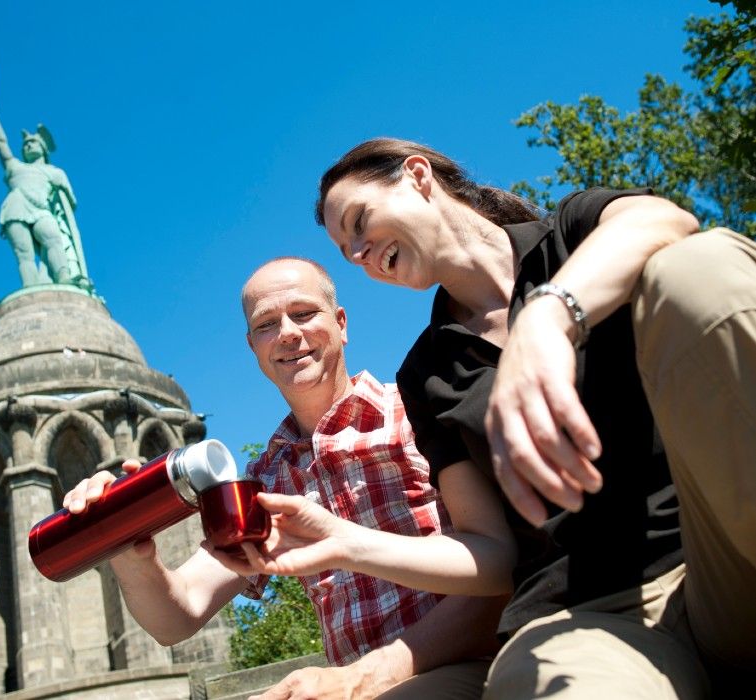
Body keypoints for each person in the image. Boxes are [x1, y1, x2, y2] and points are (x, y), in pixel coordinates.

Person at [312, 137, 756, 698]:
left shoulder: (574, 232)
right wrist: (341, 542)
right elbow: (489, 547)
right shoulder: (426, 374)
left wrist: (549, 317)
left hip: (721, 553)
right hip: (591, 617)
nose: (358, 253)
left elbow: (662, 220)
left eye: (360, 222)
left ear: (417, 175)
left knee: (697, 266)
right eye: (346, 250)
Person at [63, 256, 514, 699]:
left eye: (303, 314)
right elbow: (176, 617)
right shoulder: (264, 480)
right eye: (266, 325)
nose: (288, 334)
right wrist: (126, 548)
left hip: (471, 666)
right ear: (253, 347)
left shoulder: (417, 414)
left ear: (341, 323)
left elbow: (503, 563)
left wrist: (366, 678)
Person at [0, 104, 79, 286]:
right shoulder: (15, 167)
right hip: (16, 208)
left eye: (32, 143)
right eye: (25, 145)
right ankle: (31, 287)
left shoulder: (55, 172)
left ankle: (63, 277)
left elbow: (69, 205)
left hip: (42, 210)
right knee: (23, 253)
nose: (27, 146)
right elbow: (1, 143)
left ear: (43, 149)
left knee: (53, 239)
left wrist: (62, 193)